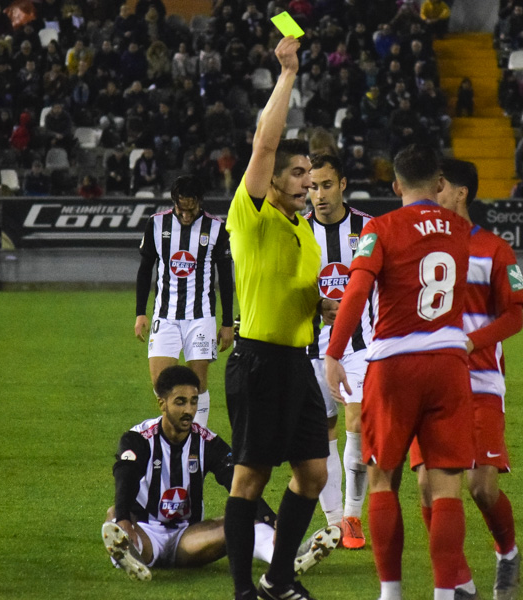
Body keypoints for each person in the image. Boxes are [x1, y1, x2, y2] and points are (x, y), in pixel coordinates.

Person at [325, 144, 478, 600]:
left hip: (393, 366)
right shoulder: (461, 229)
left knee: (381, 477)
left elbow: (356, 290)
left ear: (395, 186)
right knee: (447, 487)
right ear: (438, 184)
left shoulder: (380, 228)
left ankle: (390, 594)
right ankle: (445, 595)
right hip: (450, 366)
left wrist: (335, 352)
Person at [222, 36, 338, 600]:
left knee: (313, 474)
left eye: (309, 175)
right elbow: (265, 141)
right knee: (250, 479)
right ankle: (244, 588)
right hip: (258, 362)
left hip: (298, 363)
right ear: (271, 178)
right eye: (296, 173)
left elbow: (302, 295)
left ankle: (277, 577)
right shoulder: (251, 214)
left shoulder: (306, 234)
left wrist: (322, 306)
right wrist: (287, 72)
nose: (305, 182)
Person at [409, 159, 523, 600]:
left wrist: (470, 342)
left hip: (480, 382)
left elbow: (515, 316)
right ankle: (458, 580)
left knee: (481, 486)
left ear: (460, 192)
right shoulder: (422, 246)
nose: (432, 194)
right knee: (426, 484)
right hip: (431, 382)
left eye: (439, 187)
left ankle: (507, 552)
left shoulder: (495, 249)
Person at [101, 366, 337, 582]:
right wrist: (123, 518)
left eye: (193, 402)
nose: (189, 410)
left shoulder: (207, 442)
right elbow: (126, 476)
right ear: (162, 403)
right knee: (114, 516)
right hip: (145, 530)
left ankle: (285, 556)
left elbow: (237, 481)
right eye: (180, 402)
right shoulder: (138, 438)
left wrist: (272, 520)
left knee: (241, 519)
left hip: (188, 538)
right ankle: (130, 555)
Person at [304, 153, 373, 550]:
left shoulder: (367, 229)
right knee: (322, 433)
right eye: (312, 187)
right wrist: (314, 304)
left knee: (357, 423)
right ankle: (333, 522)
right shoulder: (297, 231)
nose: (319, 195)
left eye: (326, 185)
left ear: (343, 184)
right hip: (310, 347)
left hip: (360, 345)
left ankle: (352, 514)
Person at [134, 175, 234, 428]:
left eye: (192, 209)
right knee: (160, 384)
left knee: (197, 384)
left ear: (200, 202)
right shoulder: (157, 224)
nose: (186, 215)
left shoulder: (216, 228)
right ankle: (173, 433)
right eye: (181, 209)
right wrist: (140, 312)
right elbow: (145, 269)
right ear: (174, 203)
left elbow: (225, 277)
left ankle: (197, 441)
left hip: (201, 318)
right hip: (164, 316)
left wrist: (226, 322)